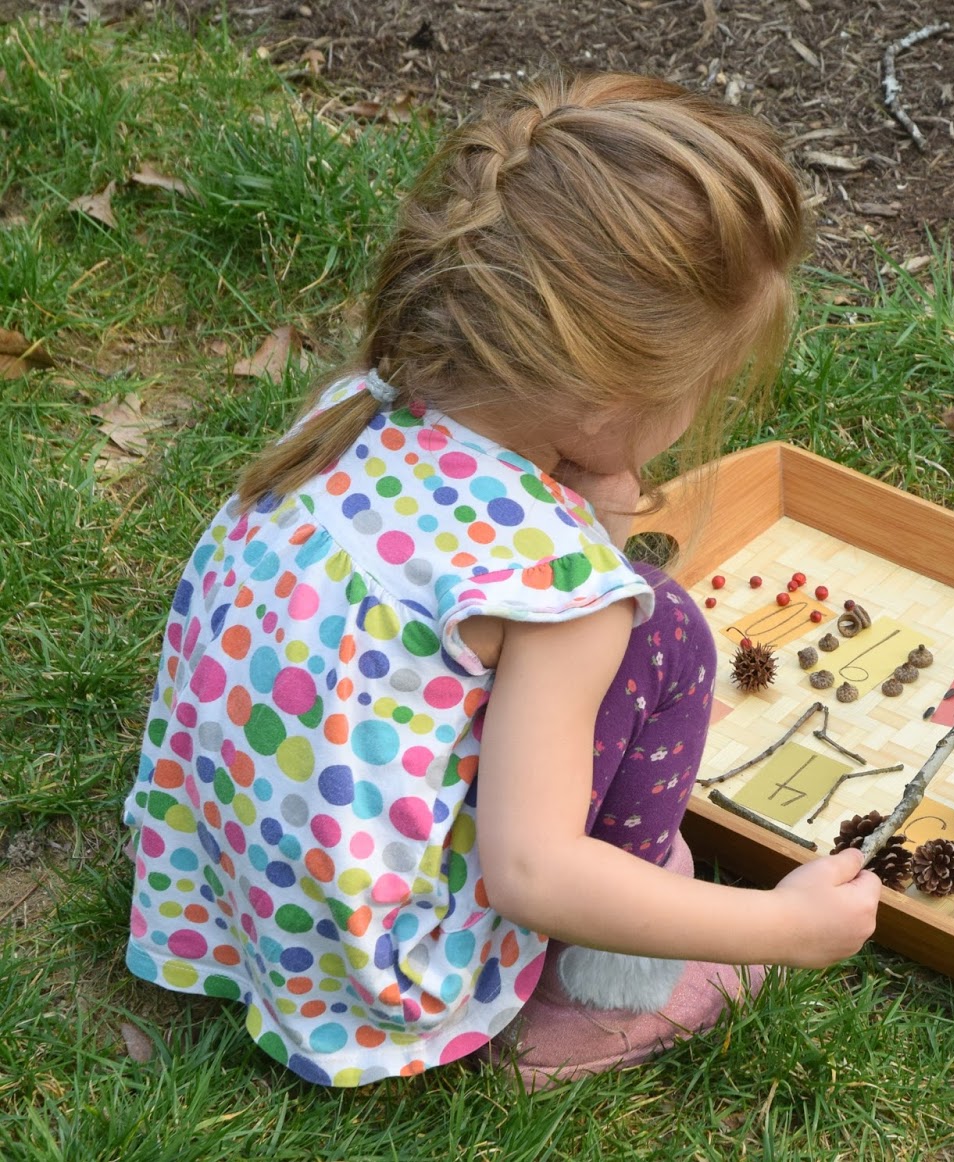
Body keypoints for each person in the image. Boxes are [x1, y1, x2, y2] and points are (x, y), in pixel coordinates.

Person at [122, 72, 881, 1090]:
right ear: (613, 396)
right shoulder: (558, 586)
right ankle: (596, 993)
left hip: (218, 891)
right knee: (663, 632)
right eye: (693, 391)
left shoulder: (351, 409)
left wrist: (581, 500)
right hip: (382, 975)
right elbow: (532, 873)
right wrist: (782, 923)